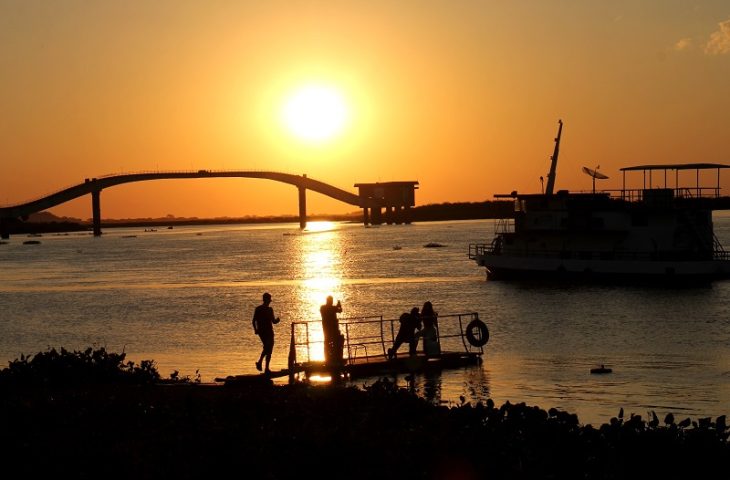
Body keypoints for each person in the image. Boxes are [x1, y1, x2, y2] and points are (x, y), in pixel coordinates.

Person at [252, 292, 280, 374]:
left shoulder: (269, 309)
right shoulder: (259, 309)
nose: (269, 301)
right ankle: (260, 362)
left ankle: (265, 367)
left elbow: (273, 321)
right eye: (268, 300)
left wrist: (277, 320)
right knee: (267, 347)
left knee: (268, 349)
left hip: (268, 331)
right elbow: (254, 321)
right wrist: (255, 329)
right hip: (263, 332)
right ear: (265, 300)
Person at [320, 295, 344, 366]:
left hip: (329, 329)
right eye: (331, 301)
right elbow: (339, 310)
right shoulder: (327, 308)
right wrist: (339, 306)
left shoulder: (323, 308)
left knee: (329, 343)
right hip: (331, 329)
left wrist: (338, 306)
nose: (331, 302)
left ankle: (330, 359)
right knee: (330, 343)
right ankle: (332, 359)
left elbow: (339, 310)